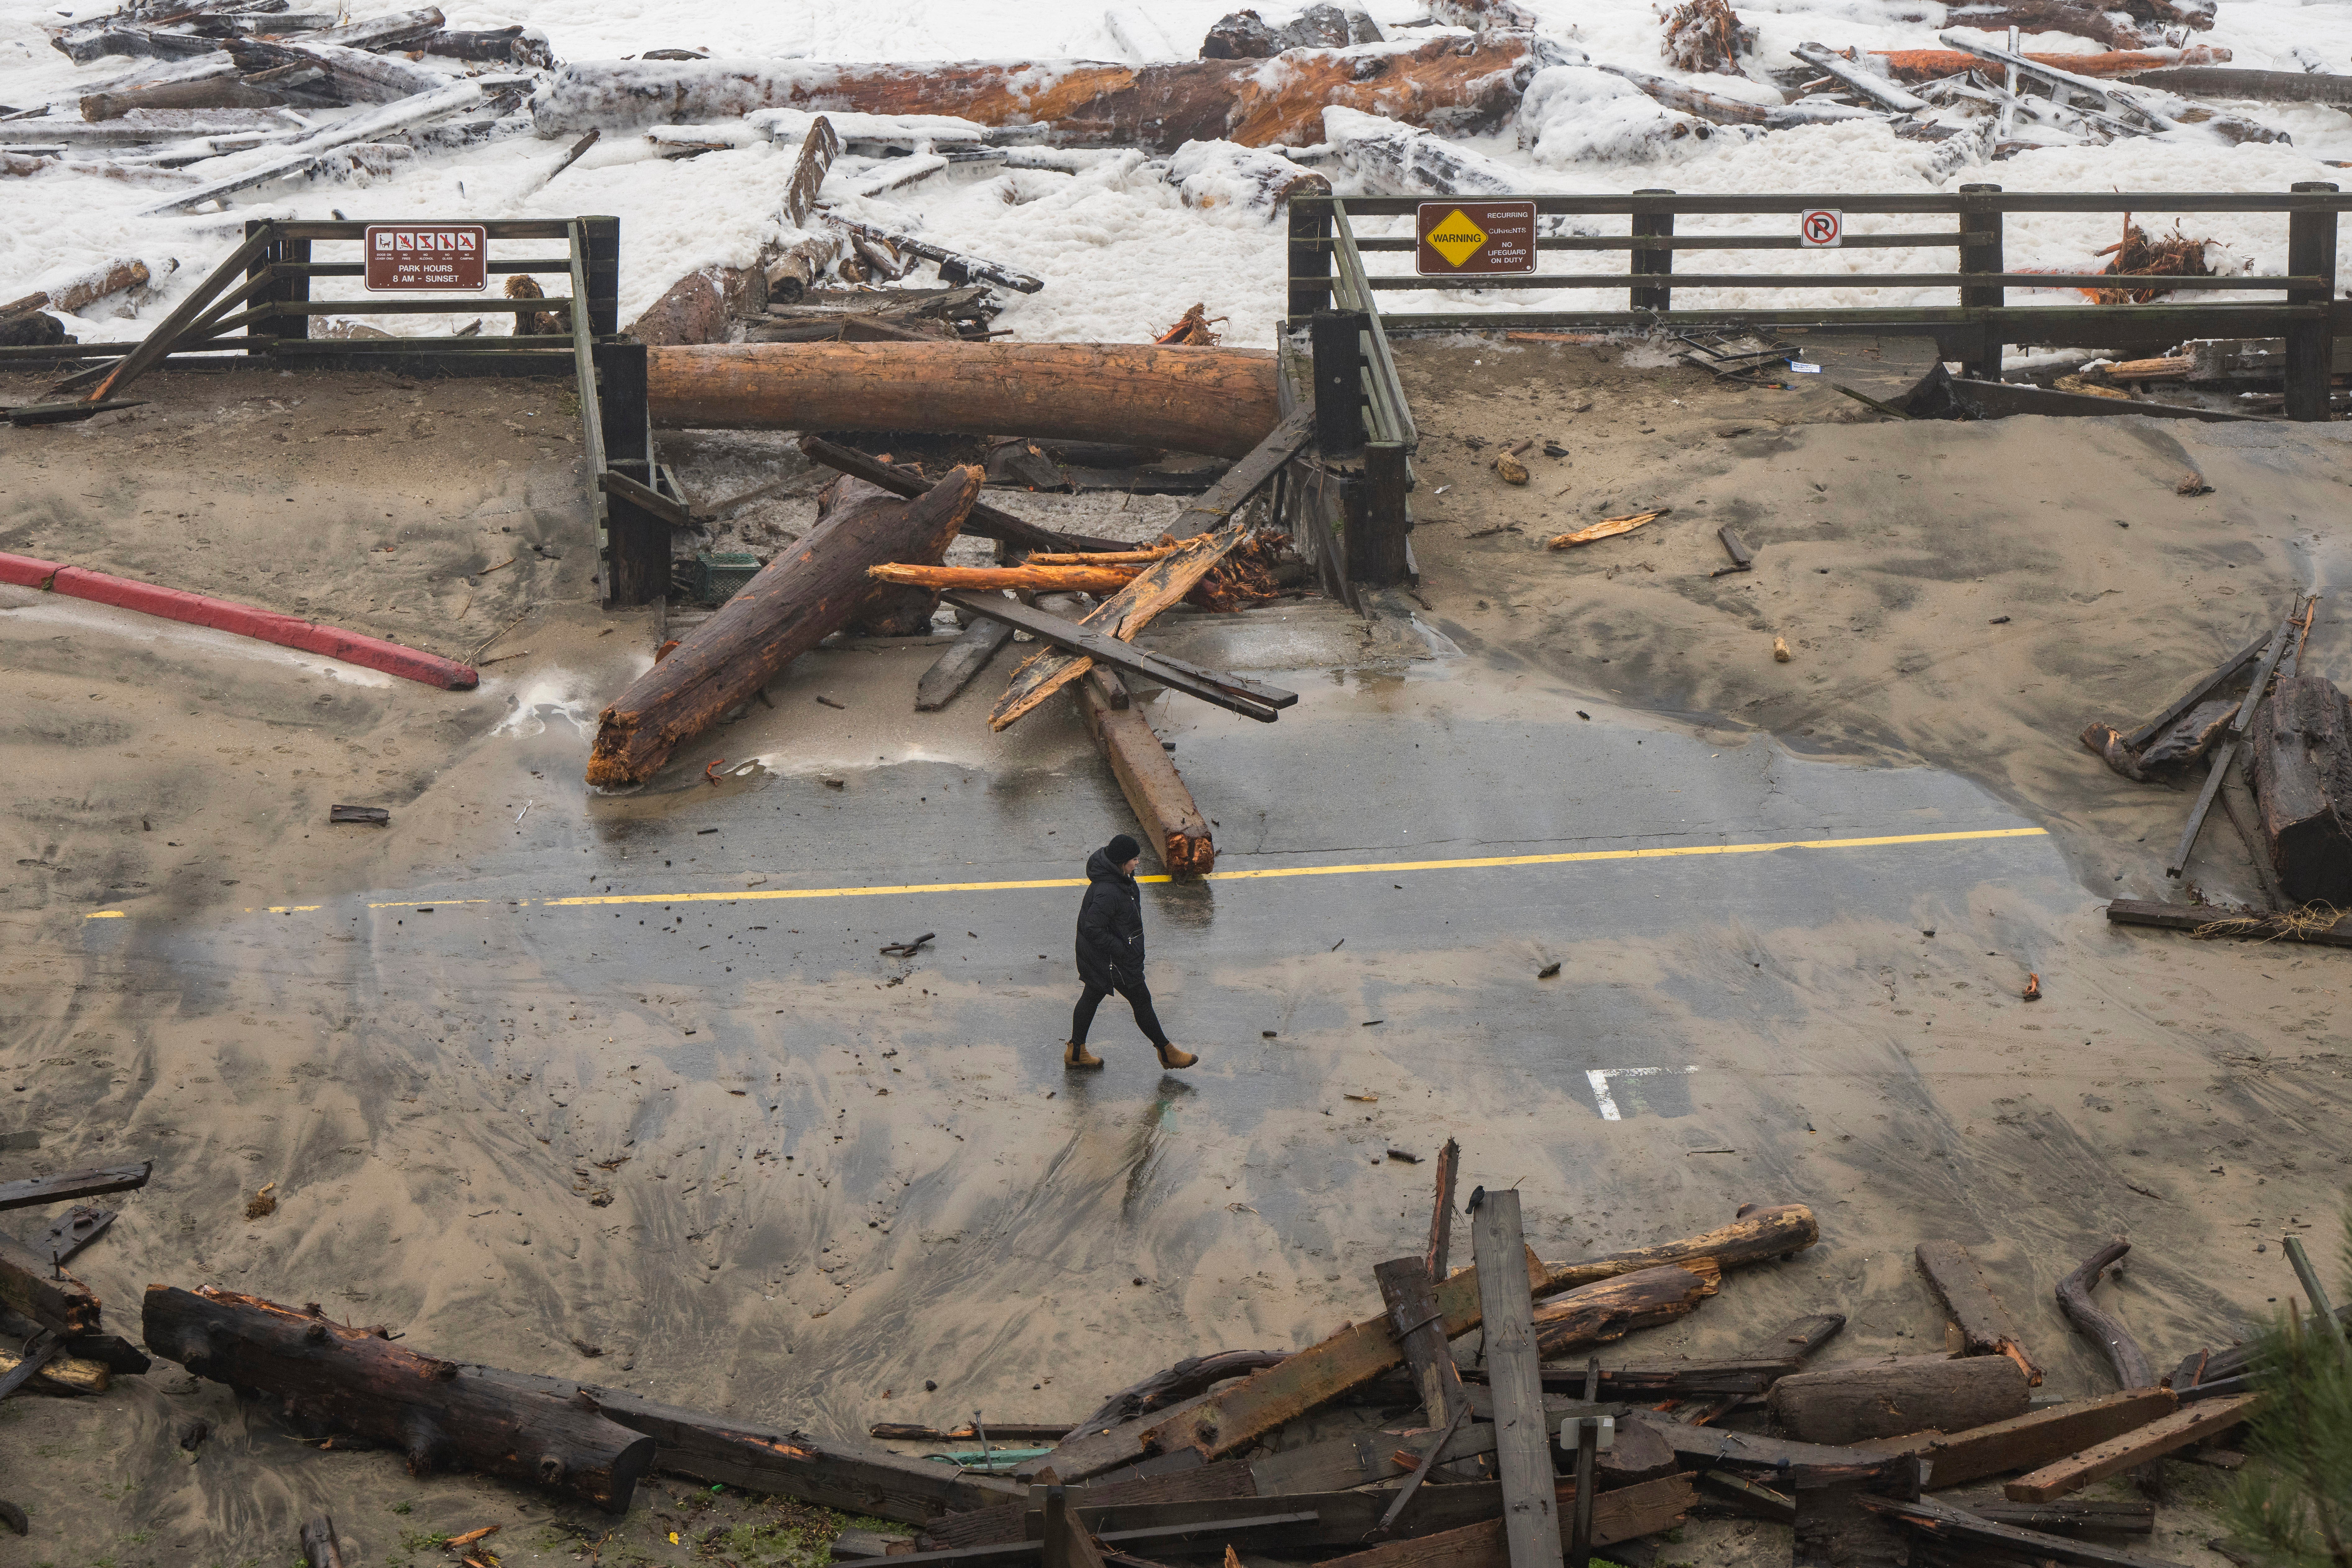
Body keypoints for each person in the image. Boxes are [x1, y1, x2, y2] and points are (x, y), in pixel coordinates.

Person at [1066, 834, 1197, 1071]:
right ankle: (1167, 1052)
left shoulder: (1121, 879)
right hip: (1113, 959)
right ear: (1121, 862)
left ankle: (1076, 1052)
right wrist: (1123, 950)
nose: (1138, 863)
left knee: (1092, 996)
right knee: (1141, 1001)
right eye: (1134, 859)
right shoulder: (1109, 891)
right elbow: (1093, 928)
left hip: (1110, 956)